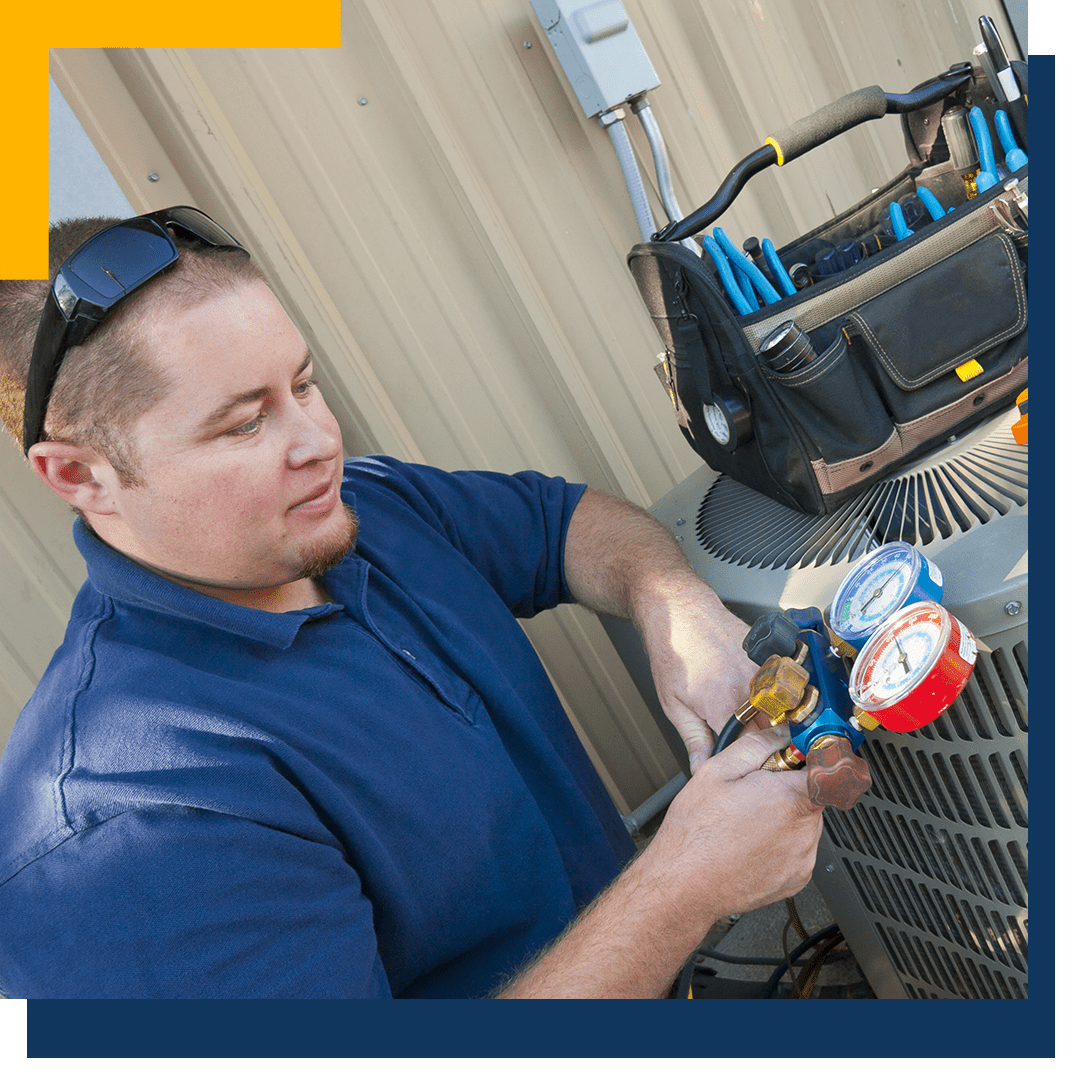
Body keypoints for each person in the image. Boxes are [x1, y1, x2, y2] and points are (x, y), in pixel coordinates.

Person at [0, 207, 824, 998]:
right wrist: (682, 888)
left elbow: (561, 523)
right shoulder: (128, 825)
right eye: (245, 425)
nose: (321, 441)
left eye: (304, 383)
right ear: (79, 476)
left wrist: (674, 606)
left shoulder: (362, 512)